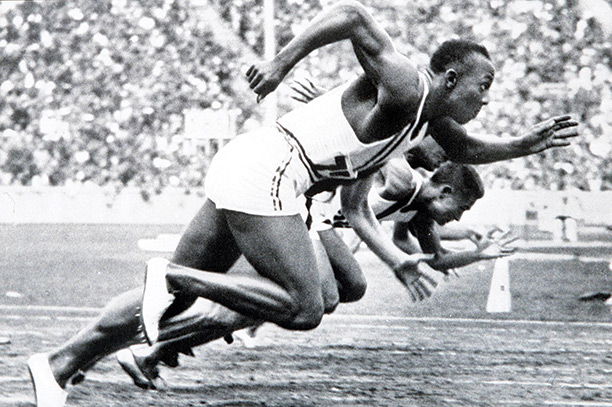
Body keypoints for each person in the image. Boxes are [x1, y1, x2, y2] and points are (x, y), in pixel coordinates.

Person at [28, 2, 579, 405]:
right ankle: (173, 276)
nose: (488, 97)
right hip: (271, 171)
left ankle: (58, 365)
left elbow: (466, 148)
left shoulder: (426, 118)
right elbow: (355, 15)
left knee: (165, 310)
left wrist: (522, 145)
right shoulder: (409, 86)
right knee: (304, 306)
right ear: (451, 77)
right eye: (484, 85)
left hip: (256, 168)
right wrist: (280, 64)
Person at [113, 160, 517, 389]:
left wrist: (479, 254)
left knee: (261, 310)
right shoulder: (403, 180)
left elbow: (433, 258)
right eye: (460, 210)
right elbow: (377, 154)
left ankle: (149, 350)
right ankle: (143, 346)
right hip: (300, 221)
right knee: (241, 313)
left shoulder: (420, 211)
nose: (459, 218)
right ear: (444, 192)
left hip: (318, 231)